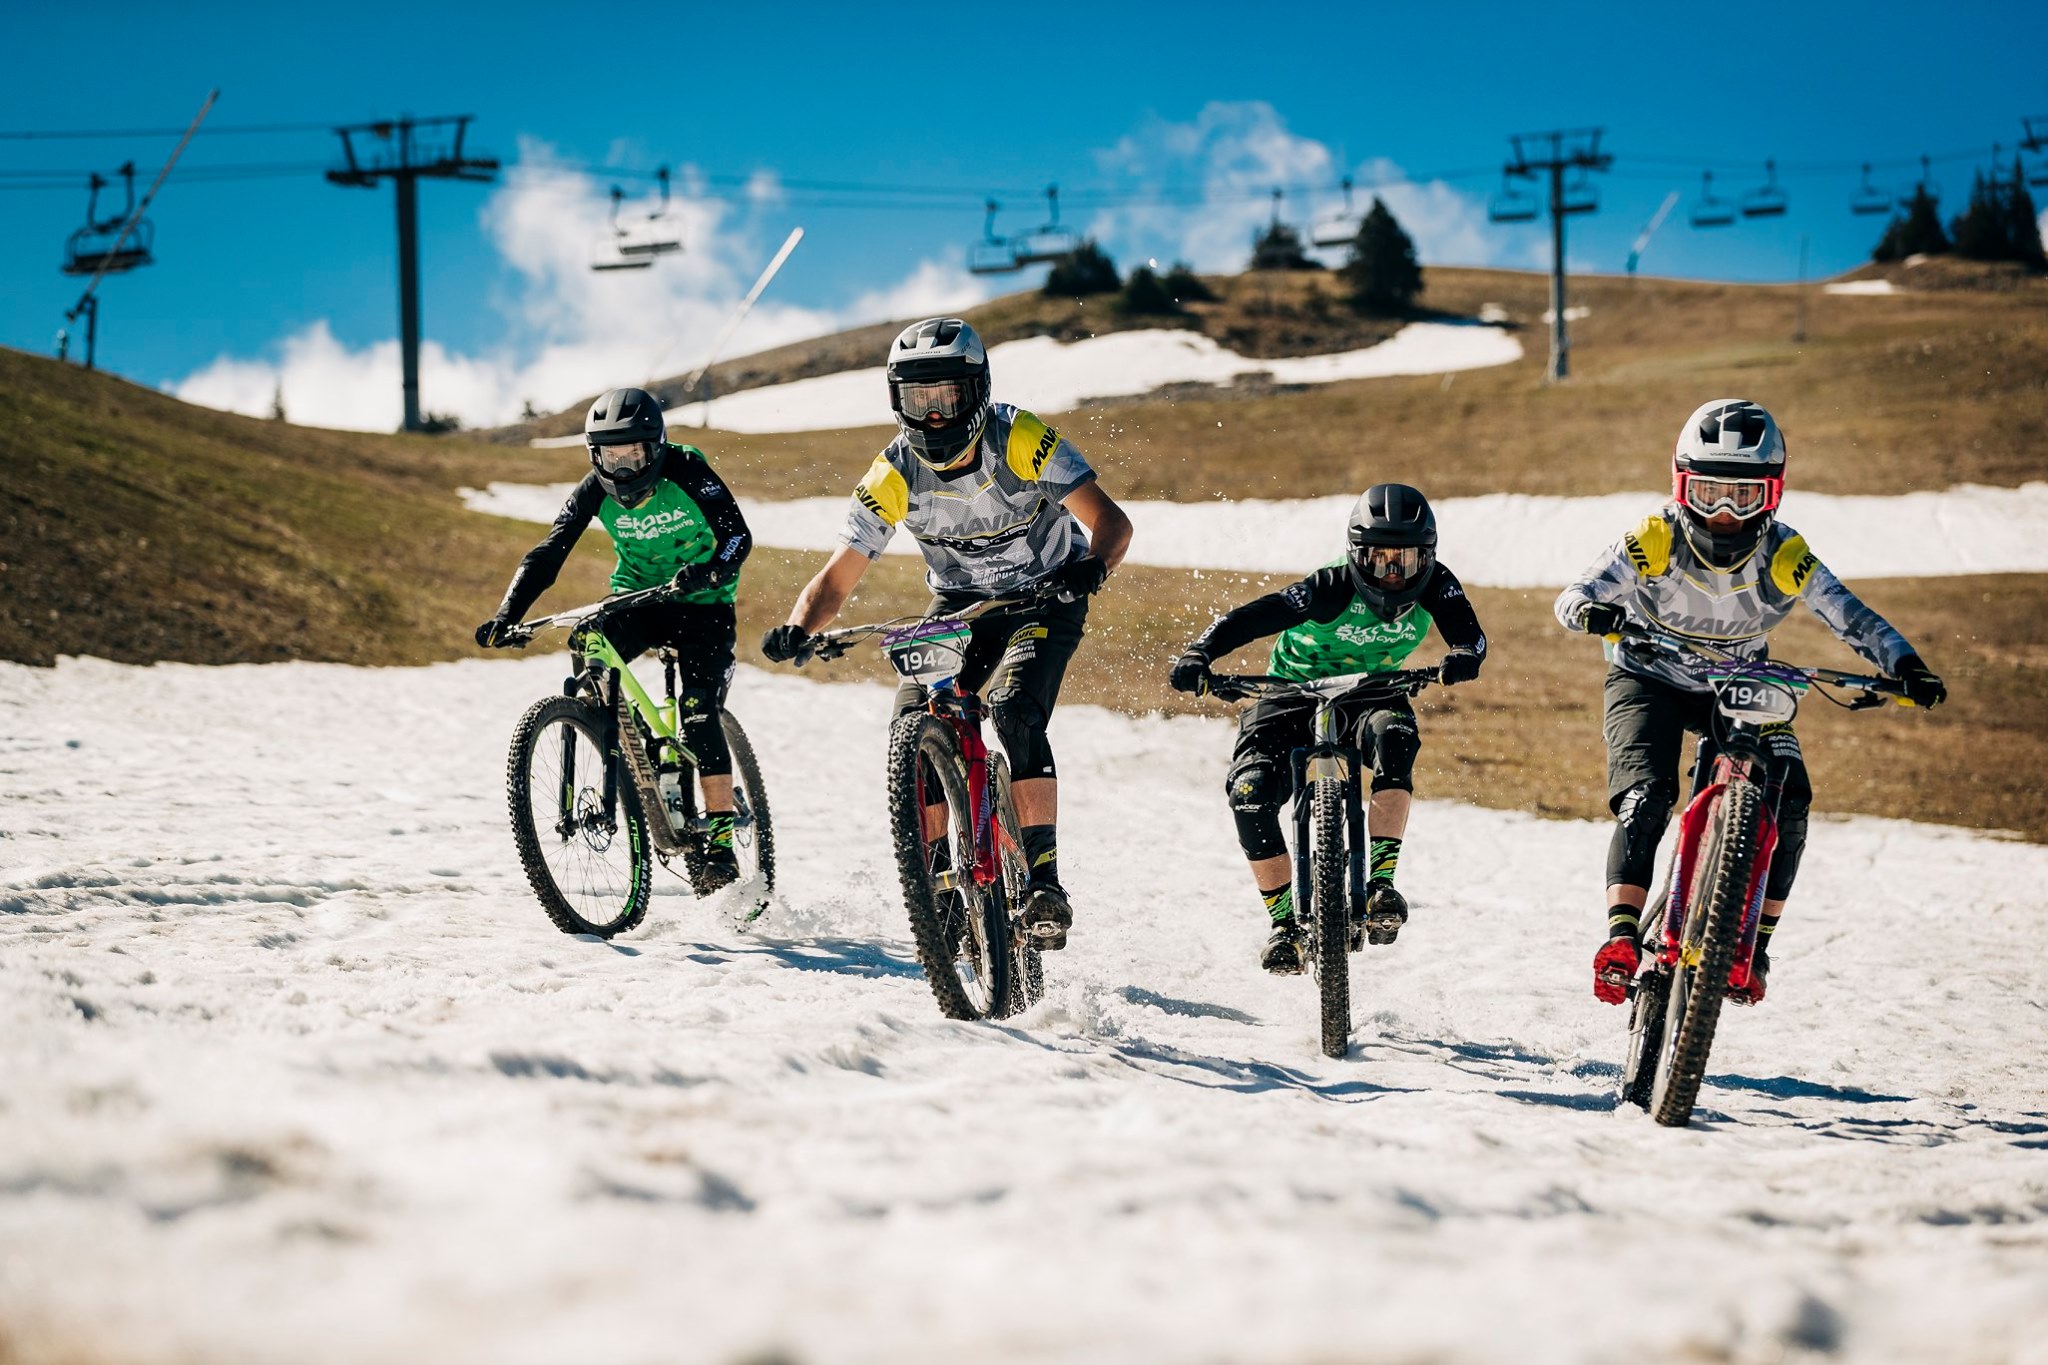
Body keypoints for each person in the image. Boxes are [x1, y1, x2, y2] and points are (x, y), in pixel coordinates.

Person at [1555, 398, 1946, 1005]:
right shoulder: (1655, 537)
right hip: (1648, 676)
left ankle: (1753, 950)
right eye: (1709, 492)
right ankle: (1622, 939)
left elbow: (1850, 615)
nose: (1724, 513)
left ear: (1773, 494)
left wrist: (1904, 664)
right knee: (1646, 799)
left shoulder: (1786, 554)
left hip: (1740, 685)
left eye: (1745, 496)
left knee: (1791, 802)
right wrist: (1591, 611)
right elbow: (1573, 595)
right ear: (1681, 485)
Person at [761, 317, 1132, 949]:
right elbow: (837, 578)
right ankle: (940, 888)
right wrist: (799, 627)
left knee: (1013, 709)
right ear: (896, 401)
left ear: (977, 390)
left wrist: (1090, 569)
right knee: (914, 720)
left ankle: (1044, 880)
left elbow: (1112, 523)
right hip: (961, 604)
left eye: (947, 396)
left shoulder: (1020, 437)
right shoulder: (893, 472)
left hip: (1047, 593)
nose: (933, 415)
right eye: (918, 399)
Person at [1169, 484, 1487, 973]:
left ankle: (1381, 884)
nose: (1393, 573)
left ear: (1429, 556)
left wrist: (1464, 655)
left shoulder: (1439, 585)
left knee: (1396, 738)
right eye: (1379, 559)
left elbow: (1470, 636)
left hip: (1373, 690)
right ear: (1356, 554)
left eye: (1406, 560)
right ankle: (1284, 926)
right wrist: (1200, 653)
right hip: (1289, 692)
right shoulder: (1329, 587)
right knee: (1250, 793)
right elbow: (1254, 616)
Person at [476, 385, 754, 887]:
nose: (622, 468)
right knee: (588, 640)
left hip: (703, 605)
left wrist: (712, 570)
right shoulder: (592, 490)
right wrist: (507, 613)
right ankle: (627, 738)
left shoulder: (687, 468)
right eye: (610, 456)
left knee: (697, 710)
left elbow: (738, 535)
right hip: (639, 600)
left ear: (657, 448)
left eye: (634, 455)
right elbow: (549, 552)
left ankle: (720, 841)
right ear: (594, 455)